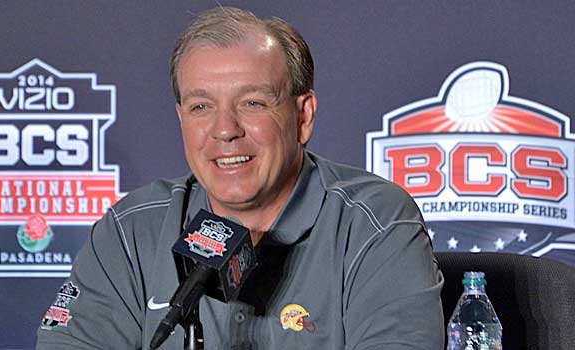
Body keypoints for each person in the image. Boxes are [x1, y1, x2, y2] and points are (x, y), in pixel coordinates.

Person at [37, 6, 444, 350]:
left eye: (252, 102)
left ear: (303, 117)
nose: (225, 129)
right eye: (200, 106)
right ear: (181, 118)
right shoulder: (130, 232)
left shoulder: (375, 223)